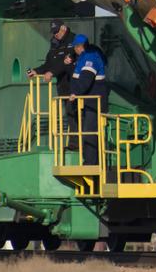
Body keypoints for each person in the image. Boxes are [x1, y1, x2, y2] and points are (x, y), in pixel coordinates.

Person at [67, 34, 109, 166]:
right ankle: (89, 160)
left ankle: (91, 163)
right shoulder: (83, 58)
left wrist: (75, 93)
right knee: (87, 132)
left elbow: (86, 79)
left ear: (80, 46)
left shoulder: (90, 57)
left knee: (89, 133)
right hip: (87, 102)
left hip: (93, 103)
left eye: (76, 47)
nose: (75, 49)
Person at [27, 20, 75, 94]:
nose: (55, 34)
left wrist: (52, 72)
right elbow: (49, 63)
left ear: (63, 28)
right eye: (53, 32)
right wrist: (36, 71)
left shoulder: (73, 40)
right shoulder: (54, 43)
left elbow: (67, 62)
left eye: (56, 31)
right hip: (62, 85)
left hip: (74, 85)